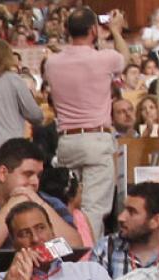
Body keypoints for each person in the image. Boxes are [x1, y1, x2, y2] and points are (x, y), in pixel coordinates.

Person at [46, 8, 130, 236]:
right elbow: (125, 58)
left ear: (67, 30)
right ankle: (87, 259)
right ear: (94, 30)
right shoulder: (104, 58)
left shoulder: (52, 63)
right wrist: (115, 31)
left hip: (66, 141)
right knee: (93, 209)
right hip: (95, 138)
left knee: (67, 204)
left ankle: (67, 252)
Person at [0, 139, 81, 250]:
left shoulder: (50, 203)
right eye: (28, 174)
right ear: (3, 173)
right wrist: (14, 205)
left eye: (38, 176)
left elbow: (75, 247)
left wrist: (39, 204)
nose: (35, 182)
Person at [90, 182, 159, 280]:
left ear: (155, 221)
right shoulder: (105, 248)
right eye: (124, 209)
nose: (121, 217)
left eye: (132, 212)